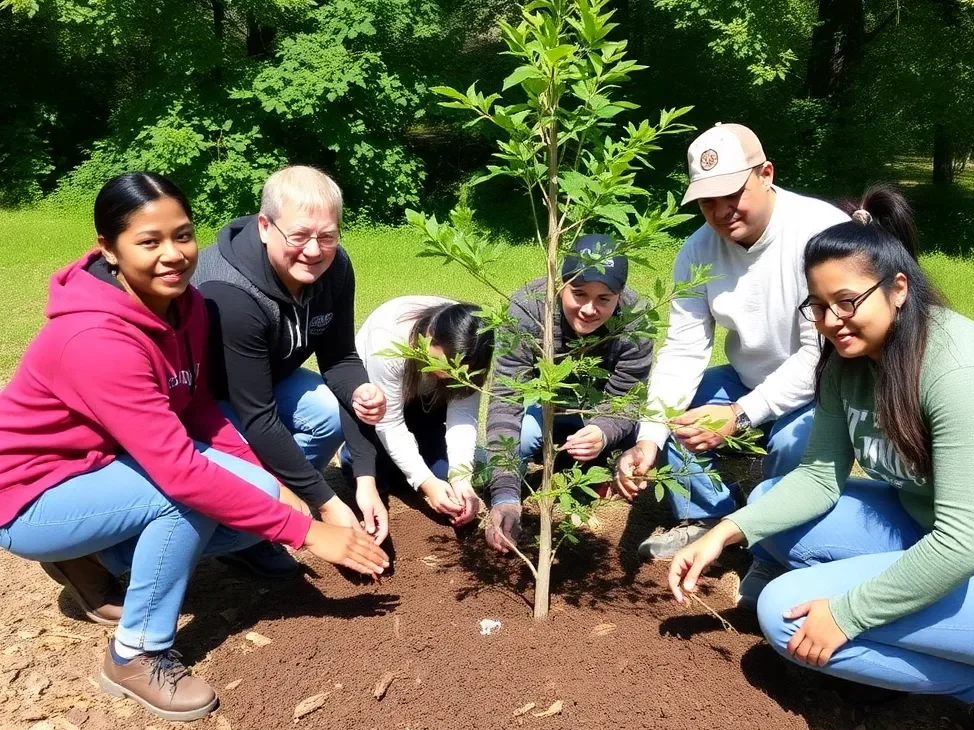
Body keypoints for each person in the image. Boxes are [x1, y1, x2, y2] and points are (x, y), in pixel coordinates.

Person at [0, 173, 388, 721]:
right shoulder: (95, 339)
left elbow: (200, 409)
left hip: (111, 465)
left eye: (182, 236)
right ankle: (137, 653)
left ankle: (96, 555)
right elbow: (182, 473)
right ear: (108, 250)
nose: (173, 255)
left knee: (245, 487)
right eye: (148, 241)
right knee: (188, 495)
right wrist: (306, 529)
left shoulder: (188, 307)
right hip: (33, 492)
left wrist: (276, 483)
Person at [667, 186, 974, 730]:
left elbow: (965, 544)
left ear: (899, 289)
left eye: (847, 301)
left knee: (787, 616)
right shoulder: (849, 361)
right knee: (765, 502)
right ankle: (905, 651)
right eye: (817, 306)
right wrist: (725, 534)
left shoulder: (961, 374)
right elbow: (816, 477)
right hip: (932, 529)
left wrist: (850, 614)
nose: (831, 322)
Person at [616, 122, 848, 563]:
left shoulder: (820, 236)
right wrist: (649, 437)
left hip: (828, 386)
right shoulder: (698, 251)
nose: (722, 211)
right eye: (707, 201)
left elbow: (819, 356)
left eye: (734, 193)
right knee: (679, 414)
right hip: (748, 377)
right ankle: (707, 519)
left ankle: (776, 544)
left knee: (793, 444)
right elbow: (683, 349)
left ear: (766, 174)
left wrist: (739, 415)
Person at [193, 166, 388, 577]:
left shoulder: (334, 268)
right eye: (299, 236)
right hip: (201, 402)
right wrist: (328, 504)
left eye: (328, 237)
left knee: (326, 409)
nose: (314, 251)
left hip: (264, 380)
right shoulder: (230, 294)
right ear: (265, 226)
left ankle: (264, 521)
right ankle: (251, 527)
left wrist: (365, 478)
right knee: (260, 481)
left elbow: (340, 359)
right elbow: (258, 417)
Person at [486, 234, 653, 553]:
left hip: (602, 407)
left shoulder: (637, 319)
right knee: (518, 439)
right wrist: (505, 496)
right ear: (561, 283)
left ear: (619, 296)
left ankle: (599, 462)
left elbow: (628, 397)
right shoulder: (528, 308)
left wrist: (604, 432)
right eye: (578, 293)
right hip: (546, 402)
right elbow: (505, 401)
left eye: (604, 299)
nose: (589, 309)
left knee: (643, 444)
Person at [354, 297, 493, 526]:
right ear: (428, 336)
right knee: (375, 474)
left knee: (445, 476)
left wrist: (461, 478)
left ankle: (422, 451)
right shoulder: (388, 339)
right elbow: (388, 422)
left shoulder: (474, 348)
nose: (449, 376)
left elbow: (462, 416)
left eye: (458, 373)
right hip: (377, 406)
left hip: (427, 405)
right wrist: (425, 483)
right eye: (444, 366)